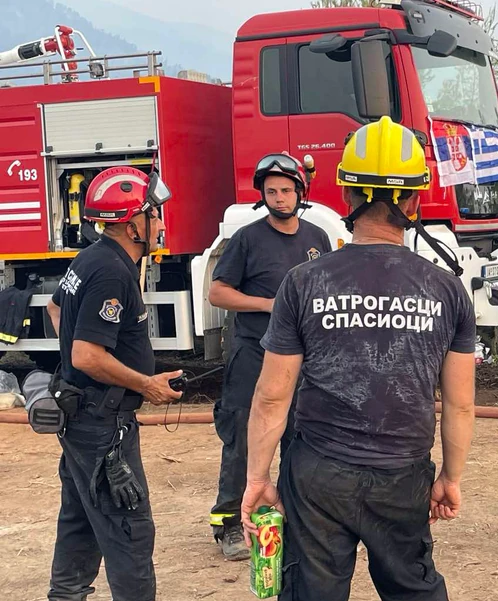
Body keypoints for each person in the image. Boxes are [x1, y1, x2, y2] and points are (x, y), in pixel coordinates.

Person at [240, 116, 476, 600]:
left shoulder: (304, 283)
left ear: (347, 196)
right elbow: (460, 404)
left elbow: (271, 395)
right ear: (413, 200)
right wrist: (450, 477)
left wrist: (257, 478)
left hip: (317, 474)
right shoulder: (447, 290)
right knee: (413, 588)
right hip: (403, 475)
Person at [44, 166, 183, 601]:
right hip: (103, 426)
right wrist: (145, 383)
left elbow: (55, 309)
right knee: (130, 531)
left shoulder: (93, 257)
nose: (160, 224)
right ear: (131, 224)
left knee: (81, 518)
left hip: (84, 417)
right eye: (154, 215)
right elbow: (86, 354)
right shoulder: (111, 271)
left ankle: (66, 595)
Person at [207, 153, 332, 560]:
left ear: (300, 192)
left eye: (286, 190)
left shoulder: (318, 238)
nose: (279, 198)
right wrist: (268, 305)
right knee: (245, 437)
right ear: (262, 196)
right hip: (252, 356)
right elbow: (217, 292)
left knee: (301, 438)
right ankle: (227, 523)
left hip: (303, 359)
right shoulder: (246, 239)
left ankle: (296, 516)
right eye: (271, 192)